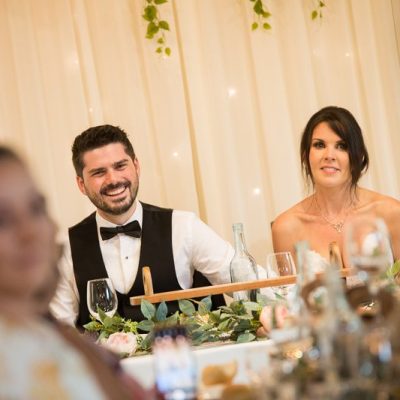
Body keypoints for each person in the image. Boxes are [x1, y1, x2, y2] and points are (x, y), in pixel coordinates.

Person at [0, 145, 148, 399]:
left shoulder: (50, 334)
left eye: (36, 208)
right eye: (2, 219)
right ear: (81, 184)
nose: (29, 232)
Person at [50, 125, 234, 327]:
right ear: (81, 184)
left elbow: (248, 283)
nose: (113, 179)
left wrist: (271, 312)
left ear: (136, 166)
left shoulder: (184, 227)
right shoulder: (65, 249)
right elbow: (59, 332)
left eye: (120, 166)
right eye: (99, 172)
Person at [272, 106, 400, 268]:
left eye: (342, 146)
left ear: (358, 157)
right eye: (319, 145)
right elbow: (288, 293)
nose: (329, 156)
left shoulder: (391, 213)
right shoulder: (286, 228)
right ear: (305, 156)